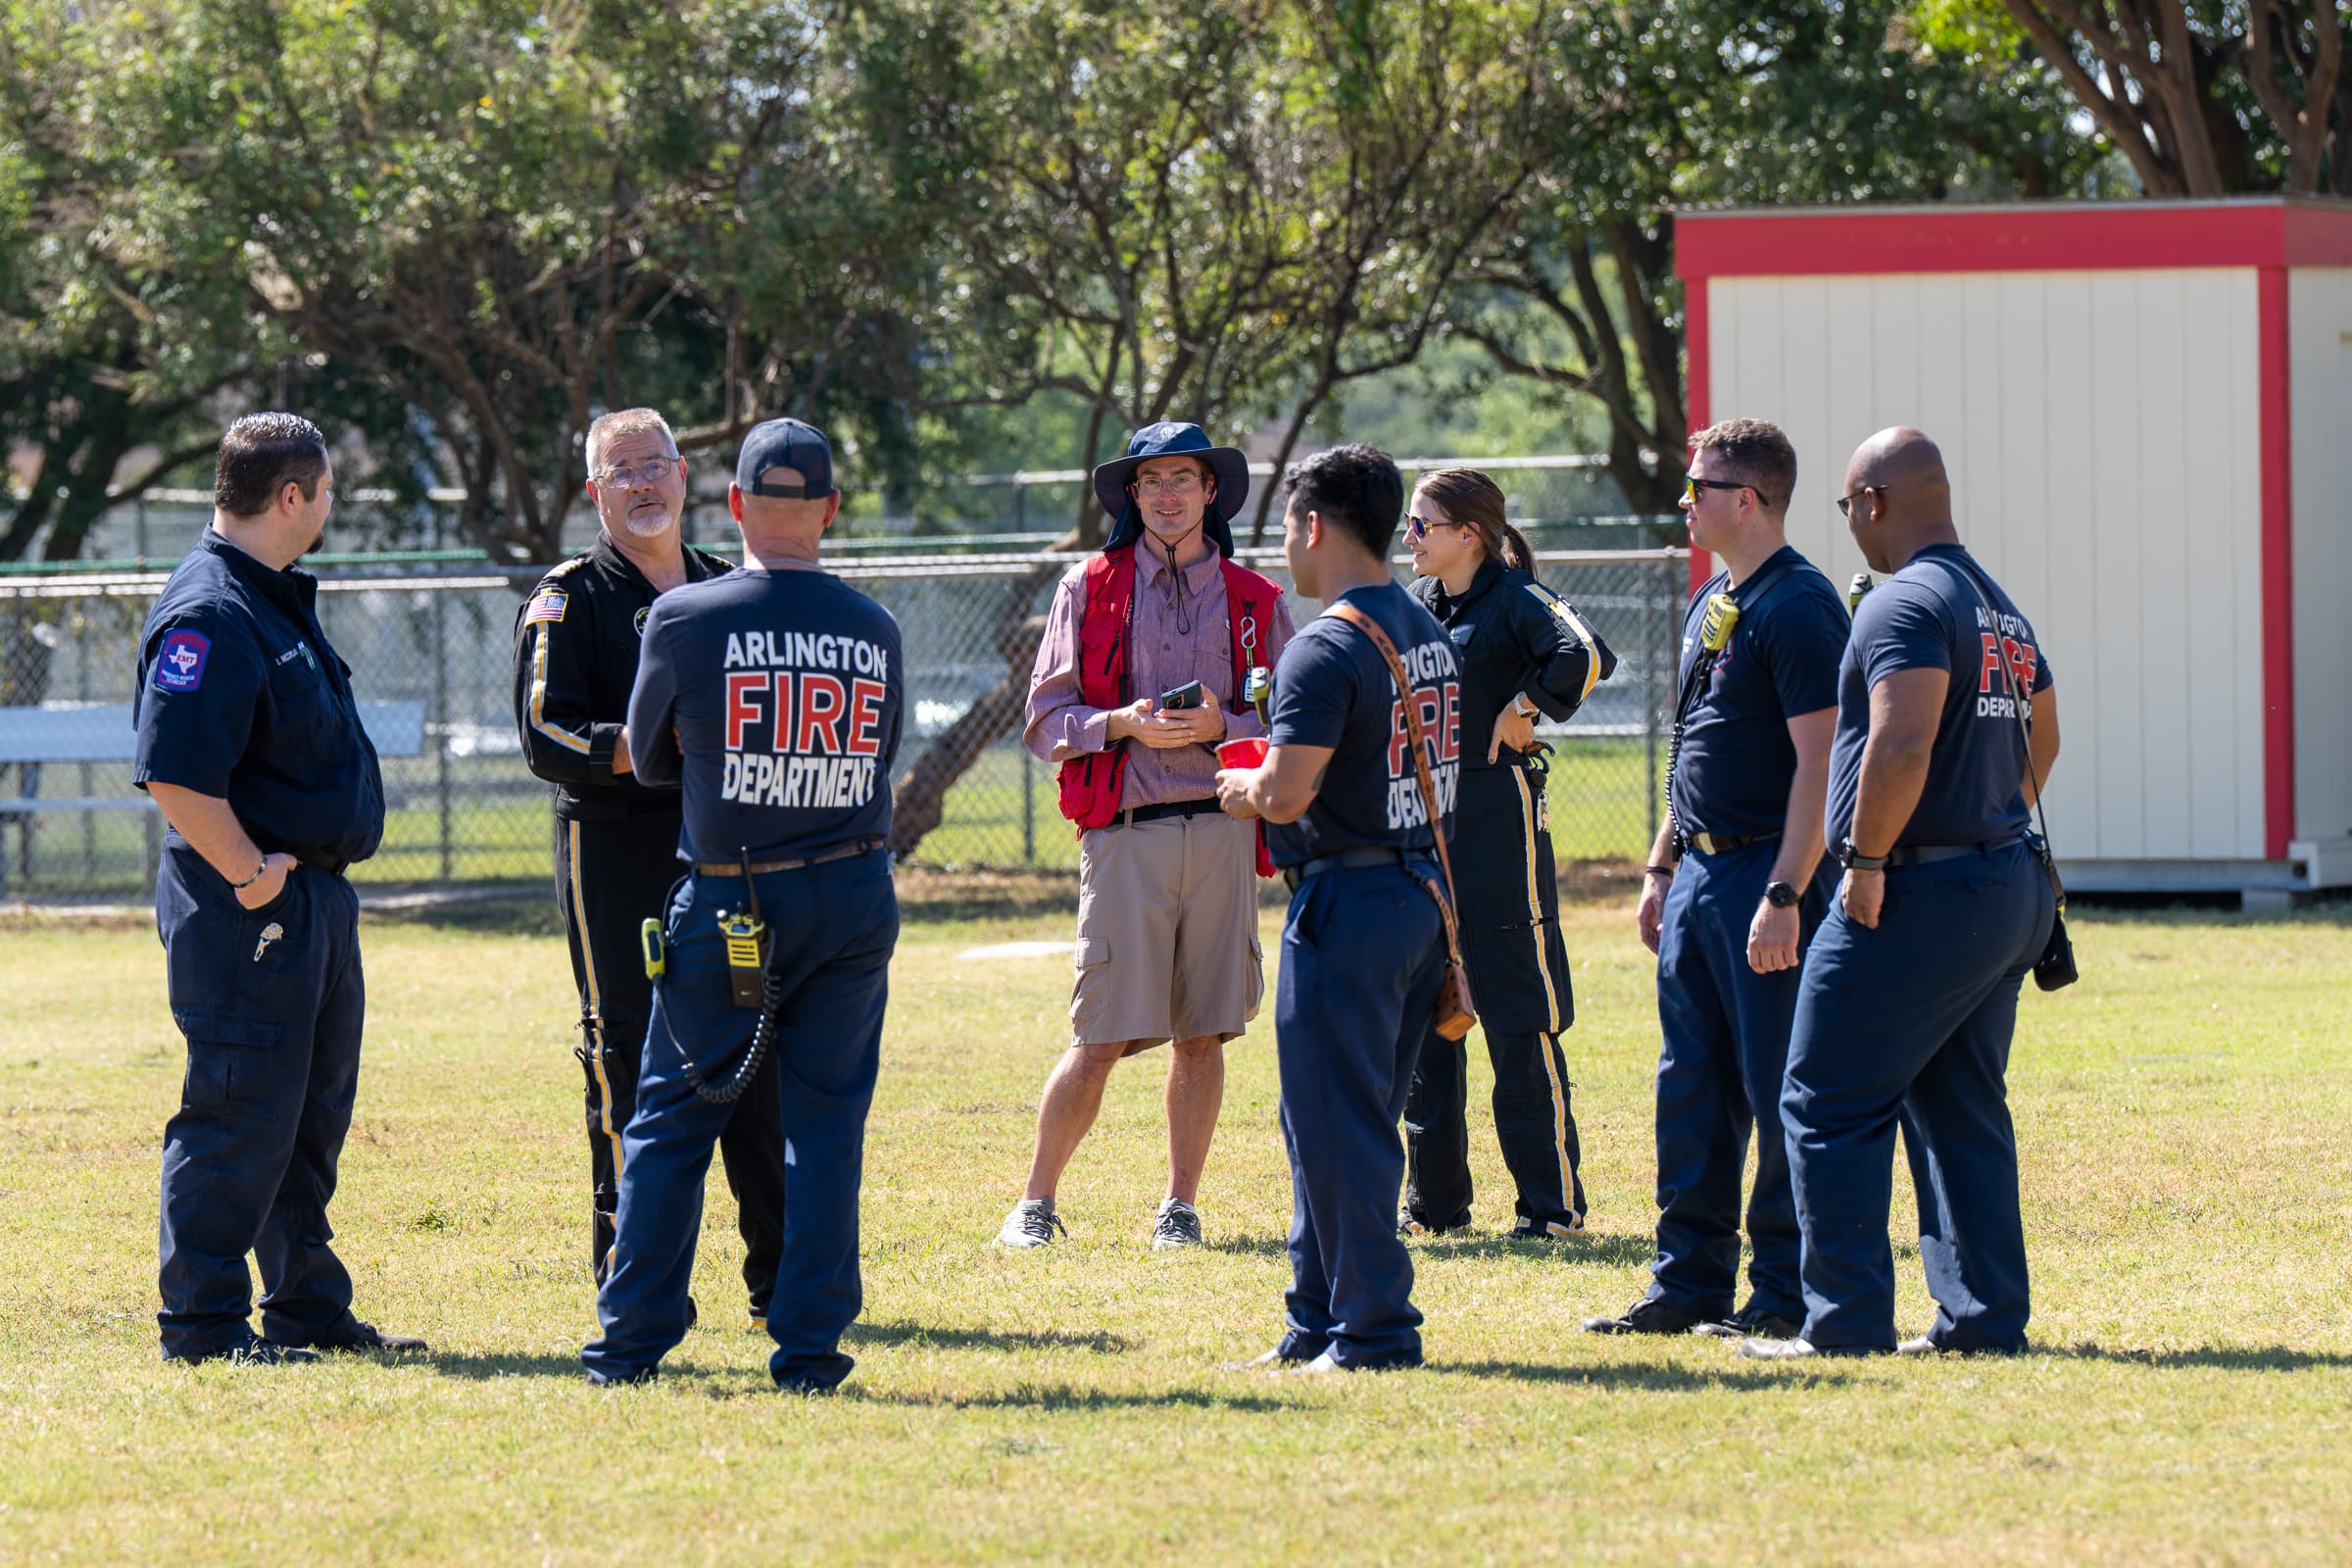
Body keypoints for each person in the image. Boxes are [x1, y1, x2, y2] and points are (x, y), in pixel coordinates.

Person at [579, 416, 902, 1394]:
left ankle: (629, 1343)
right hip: (852, 890)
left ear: (733, 505)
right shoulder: (875, 628)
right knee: (826, 1128)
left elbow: (649, 760)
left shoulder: (685, 618)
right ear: (831, 510)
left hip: (734, 896)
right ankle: (809, 1349)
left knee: (672, 1120)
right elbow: (878, 758)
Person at [1738, 426, 2060, 1361]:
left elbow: (1904, 738)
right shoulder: (1998, 608)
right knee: (1960, 1105)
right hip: (2001, 883)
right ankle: (1983, 1319)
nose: (1850, 523)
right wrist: (1992, 815)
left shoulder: (1904, 601)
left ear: (1873, 502)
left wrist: (1869, 861)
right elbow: (2043, 735)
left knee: (1823, 1099)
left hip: (1917, 888)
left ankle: (1841, 1322)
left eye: (1848, 507)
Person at [132, 413, 423, 1364]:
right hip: (249, 905)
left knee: (304, 1118)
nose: (332, 504)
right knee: (238, 1110)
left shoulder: (268, 596)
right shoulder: (212, 610)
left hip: (310, 901)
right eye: (327, 489)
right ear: (291, 496)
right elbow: (175, 773)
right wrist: (251, 876)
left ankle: (306, 1308)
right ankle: (205, 1326)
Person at [512, 406, 785, 1320]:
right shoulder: (569, 598)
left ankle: (781, 1281)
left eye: (654, 465)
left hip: (729, 855)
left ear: (683, 475)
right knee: (627, 1055)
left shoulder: (733, 586)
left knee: (756, 1045)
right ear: (595, 492)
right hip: (616, 856)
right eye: (621, 471)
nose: (641, 484)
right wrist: (654, 744)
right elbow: (544, 733)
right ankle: (639, 1285)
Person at [1581, 419, 1847, 1342]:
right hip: (1699, 871)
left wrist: (1786, 892)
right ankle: (1687, 1285)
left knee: (1778, 1089)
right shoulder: (1713, 598)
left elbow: (1821, 763)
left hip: (1766, 870)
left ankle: (1780, 1294)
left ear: (1750, 498)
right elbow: (1696, 744)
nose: (1685, 500)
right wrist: (1662, 865)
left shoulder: (1800, 605)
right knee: (1690, 1088)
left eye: (1700, 486)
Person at [998, 420, 1293, 1251]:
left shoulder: (1255, 599)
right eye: (1151, 481)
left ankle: (1180, 1208)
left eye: (1182, 479)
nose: (1167, 495)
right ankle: (1034, 1205)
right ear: (1132, 495)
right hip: (1124, 834)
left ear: (1210, 491)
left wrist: (1225, 724)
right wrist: (1121, 723)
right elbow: (1044, 719)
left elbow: (1294, 720)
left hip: (1225, 828)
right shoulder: (1087, 587)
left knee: (1203, 1033)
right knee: (1098, 1036)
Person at [1216, 443, 1459, 1372]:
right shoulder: (1425, 628)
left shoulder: (1323, 644)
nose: (1284, 545)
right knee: (1333, 1118)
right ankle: (1314, 1320)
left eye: (1287, 525)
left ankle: (1374, 1329)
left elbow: (1284, 794)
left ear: (1315, 526)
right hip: (1418, 893)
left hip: (1347, 902)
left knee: (1337, 1125)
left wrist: (1238, 787)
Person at [1397, 467, 1616, 1242]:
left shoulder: (1516, 598)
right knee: (1429, 1012)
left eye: (1422, 524)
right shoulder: (1417, 605)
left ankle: (1550, 1209)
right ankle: (1435, 1208)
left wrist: (1525, 706)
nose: (1409, 537)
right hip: (1424, 828)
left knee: (1517, 1011)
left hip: (1498, 824)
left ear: (1469, 535)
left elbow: (1586, 654)